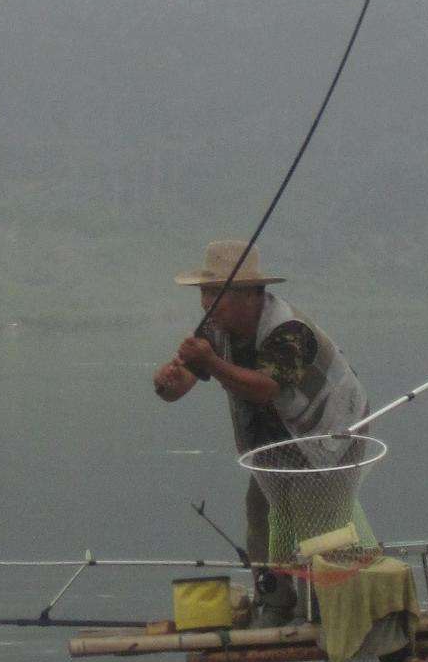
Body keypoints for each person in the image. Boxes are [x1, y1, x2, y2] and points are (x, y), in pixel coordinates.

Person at [154, 238, 367, 622]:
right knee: (262, 516)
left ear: (252, 295)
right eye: (204, 293)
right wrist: (167, 382)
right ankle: (276, 600)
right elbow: (183, 380)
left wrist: (211, 363)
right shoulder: (214, 329)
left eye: (217, 295)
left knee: (315, 520)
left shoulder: (289, 331)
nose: (206, 304)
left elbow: (264, 388)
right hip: (275, 443)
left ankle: (330, 606)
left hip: (330, 431)